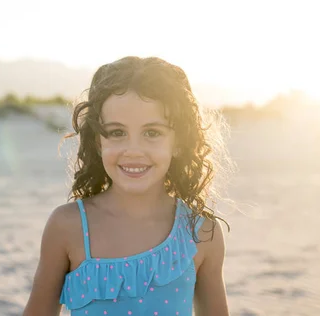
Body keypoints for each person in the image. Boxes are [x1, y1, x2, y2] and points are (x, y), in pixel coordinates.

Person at [23, 56, 232, 315]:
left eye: (152, 133)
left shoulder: (201, 233)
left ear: (178, 141)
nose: (134, 151)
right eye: (117, 132)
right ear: (98, 141)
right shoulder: (68, 226)